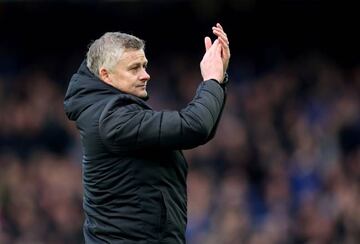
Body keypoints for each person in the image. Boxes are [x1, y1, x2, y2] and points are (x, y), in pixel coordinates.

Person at [64, 23, 230, 243]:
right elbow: (195, 126)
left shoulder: (109, 110)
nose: (146, 75)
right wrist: (212, 80)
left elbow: (201, 129)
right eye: (134, 68)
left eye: (144, 65)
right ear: (106, 75)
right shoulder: (113, 118)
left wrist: (217, 81)